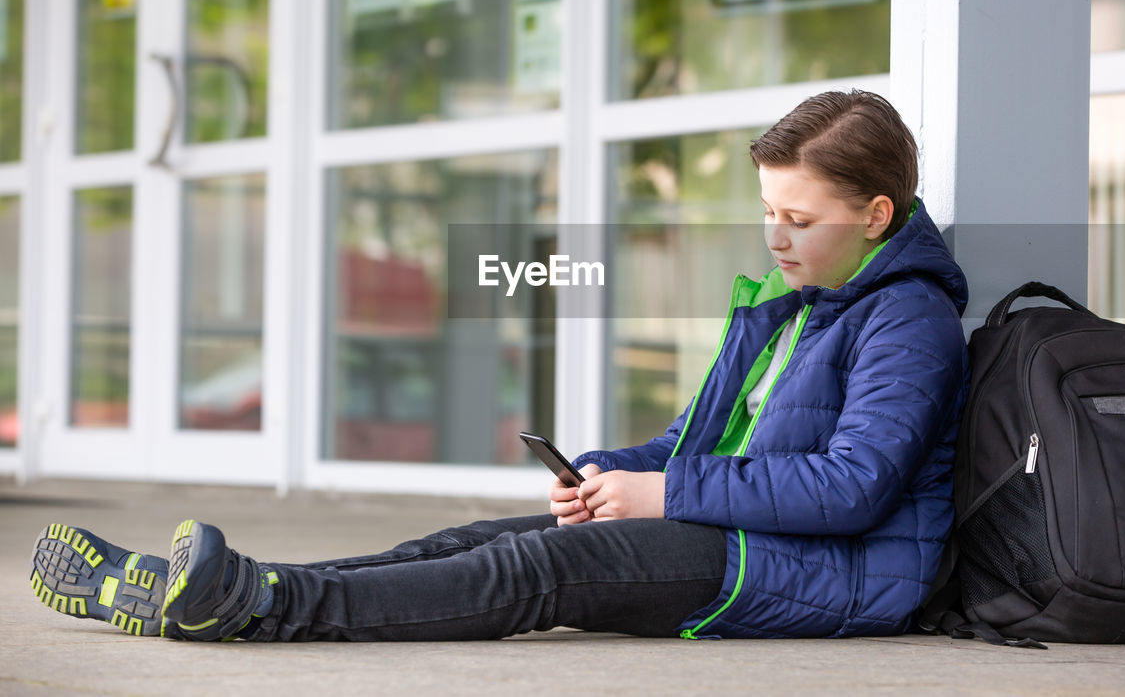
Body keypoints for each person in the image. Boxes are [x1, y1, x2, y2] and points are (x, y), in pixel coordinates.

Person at [29, 89, 969, 642]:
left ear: (877, 215)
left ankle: (260, 606)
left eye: (798, 220)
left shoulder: (910, 319)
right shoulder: (789, 314)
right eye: (768, 210)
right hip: (747, 536)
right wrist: (608, 474)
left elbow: (851, 490)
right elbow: (684, 445)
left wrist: (663, 495)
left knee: (537, 570)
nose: (774, 236)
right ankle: (248, 586)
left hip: (834, 573)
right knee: (469, 539)